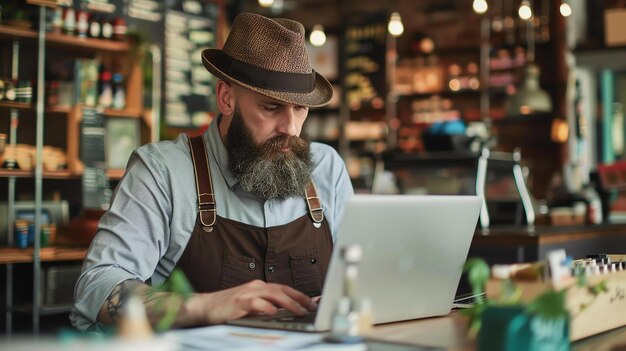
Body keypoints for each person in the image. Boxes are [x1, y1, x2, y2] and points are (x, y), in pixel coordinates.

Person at [70, 12, 354, 331]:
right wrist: (204, 305)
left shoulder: (327, 168)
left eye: (300, 108)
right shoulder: (163, 171)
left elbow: (361, 275)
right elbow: (97, 285)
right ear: (226, 98)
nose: (290, 127)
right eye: (271, 107)